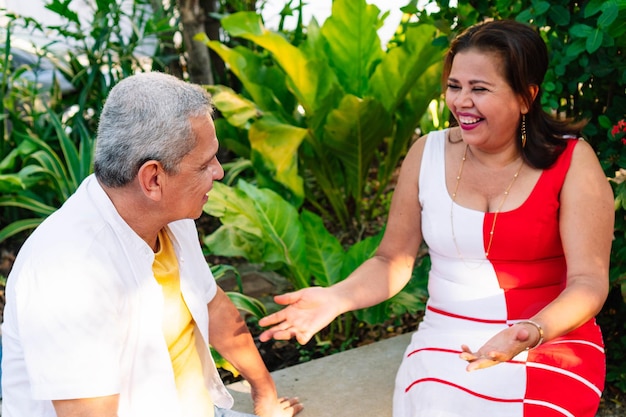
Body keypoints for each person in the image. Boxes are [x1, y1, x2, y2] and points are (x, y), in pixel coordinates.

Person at [258, 19, 615, 417]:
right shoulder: (426, 154)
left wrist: (530, 332)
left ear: (525, 97)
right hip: (447, 337)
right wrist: (335, 298)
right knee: (437, 405)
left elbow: (588, 283)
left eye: (479, 89)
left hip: (549, 336)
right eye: (454, 86)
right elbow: (391, 260)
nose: (461, 101)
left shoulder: (572, 161)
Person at [1, 72, 303, 417]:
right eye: (206, 163)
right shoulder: (68, 275)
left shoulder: (168, 215)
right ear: (153, 178)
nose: (219, 172)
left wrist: (264, 394)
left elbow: (213, 306)